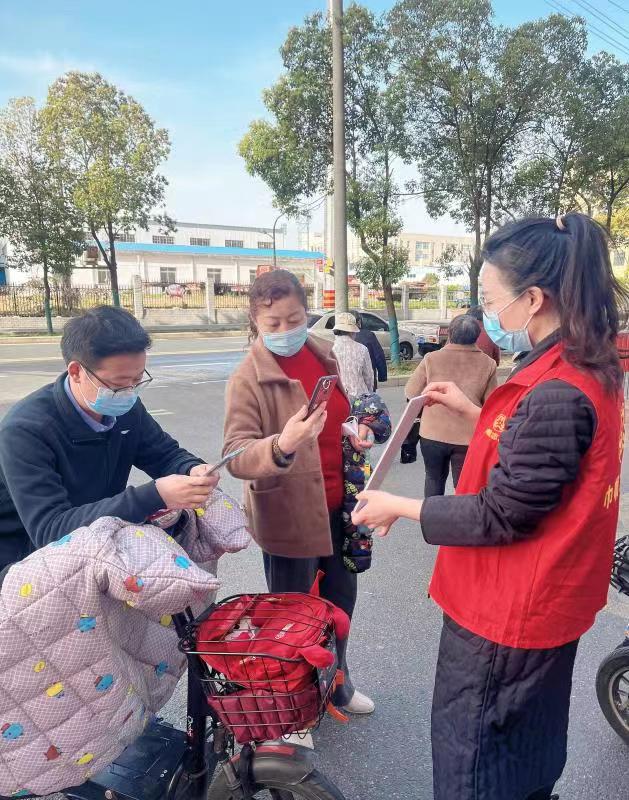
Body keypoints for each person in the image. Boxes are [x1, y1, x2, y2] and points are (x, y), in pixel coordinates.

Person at [352, 213, 627, 800]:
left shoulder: (556, 390)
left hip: (507, 612)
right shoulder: (585, 364)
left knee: (474, 763)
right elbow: (548, 462)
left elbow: (503, 513)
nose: (487, 312)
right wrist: (479, 414)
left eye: (490, 296)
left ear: (533, 298)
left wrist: (401, 506)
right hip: (544, 603)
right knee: (526, 749)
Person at [222, 270, 377, 733]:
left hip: (341, 506)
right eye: (273, 323)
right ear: (255, 321)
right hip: (289, 516)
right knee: (293, 618)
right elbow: (235, 456)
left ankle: (338, 684)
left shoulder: (322, 353)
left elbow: (340, 413)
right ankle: (293, 703)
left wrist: (354, 430)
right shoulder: (248, 377)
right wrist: (281, 444)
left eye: (294, 319)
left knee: (340, 606)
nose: (286, 330)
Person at [0, 306, 218, 572]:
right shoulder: (26, 430)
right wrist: (154, 496)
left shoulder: (126, 408)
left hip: (98, 548)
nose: (128, 392)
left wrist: (192, 469)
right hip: (27, 567)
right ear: (76, 371)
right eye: (118, 384)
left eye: (137, 380)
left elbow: (164, 453)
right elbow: (51, 530)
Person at [405, 314, 497, 497]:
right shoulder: (488, 363)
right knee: (463, 486)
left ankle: (431, 515)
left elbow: (411, 393)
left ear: (450, 333)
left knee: (433, 478)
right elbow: (491, 405)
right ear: (477, 335)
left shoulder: (431, 358)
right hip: (467, 438)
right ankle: (460, 516)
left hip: (432, 433)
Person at [332, 312, 374, 398]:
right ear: (352, 332)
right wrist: (370, 392)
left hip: (339, 397)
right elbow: (368, 377)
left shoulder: (330, 349)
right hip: (360, 397)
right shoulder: (362, 349)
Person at [353, 312, 387, 389]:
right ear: (359, 322)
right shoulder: (369, 335)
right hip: (368, 379)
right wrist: (382, 376)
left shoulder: (339, 341)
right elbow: (379, 356)